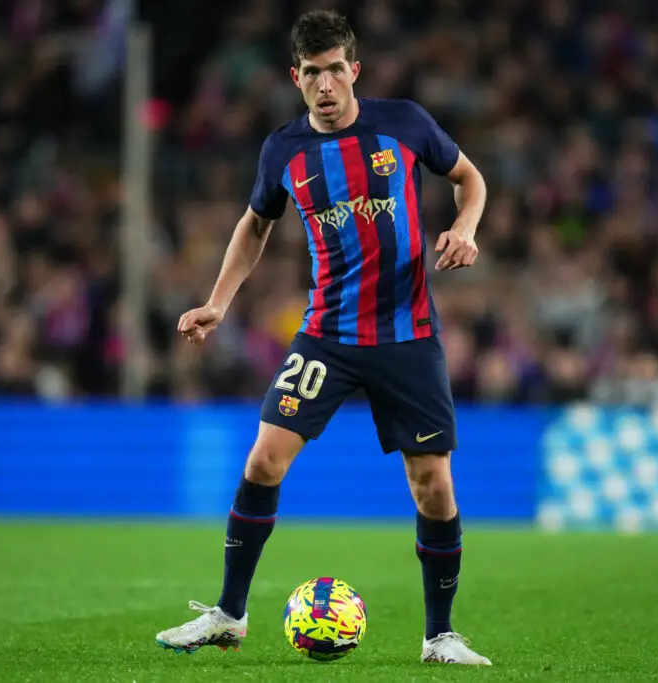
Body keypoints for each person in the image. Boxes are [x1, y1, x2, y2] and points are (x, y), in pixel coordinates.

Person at [155, 9, 490, 666]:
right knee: (263, 460)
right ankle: (229, 615)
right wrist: (218, 303)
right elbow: (256, 226)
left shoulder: (404, 124)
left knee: (433, 485)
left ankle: (440, 636)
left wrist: (465, 228)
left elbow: (469, 180)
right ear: (296, 78)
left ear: (354, 70)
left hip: (406, 336)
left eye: (336, 70)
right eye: (313, 73)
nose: (326, 85)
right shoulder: (283, 150)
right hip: (327, 334)